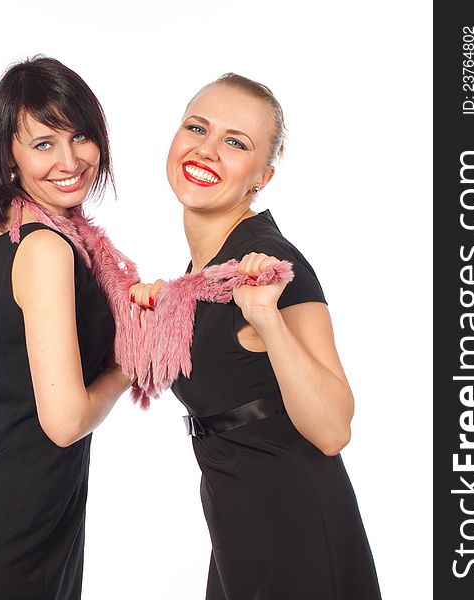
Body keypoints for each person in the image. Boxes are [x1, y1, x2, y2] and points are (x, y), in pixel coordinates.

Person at [130, 74, 382, 599]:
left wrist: (268, 319)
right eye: (196, 127)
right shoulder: (205, 272)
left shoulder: (270, 264)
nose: (207, 149)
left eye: (235, 142)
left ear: (261, 177)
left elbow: (334, 428)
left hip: (294, 535)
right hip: (238, 532)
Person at [0, 57, 130, 600]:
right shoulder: (46, 248)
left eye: (80, 135)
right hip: (10, 525)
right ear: (8, 158)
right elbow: (65, 423)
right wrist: (128, 362)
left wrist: (50, 362)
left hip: (8, 511)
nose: (69, 159)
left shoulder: (7, 235)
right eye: (43, 143)